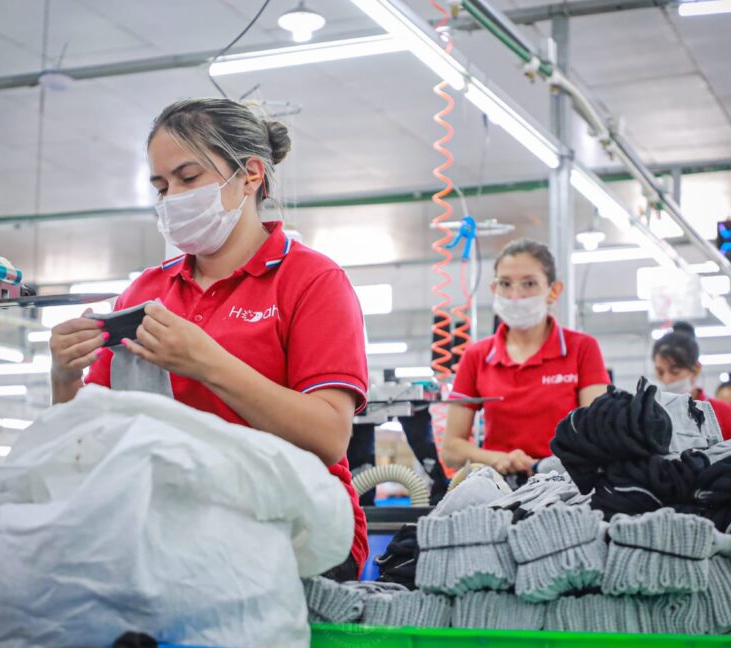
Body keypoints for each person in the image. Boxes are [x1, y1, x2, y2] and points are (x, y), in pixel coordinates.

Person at [48, 98, 369, 580]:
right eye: (161, 186)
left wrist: (206, 362)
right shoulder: (146, 291)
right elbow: (85, 440)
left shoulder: (311, 280)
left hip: (297, 527)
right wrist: (64, 377)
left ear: (250, 174)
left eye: (188, 177)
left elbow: (328, 436)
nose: (172, 198)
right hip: (170, 525)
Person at [441, 239, 611, 475]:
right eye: (505, 284)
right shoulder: (477, 356)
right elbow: (451, 449)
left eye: (529, 283)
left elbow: (598, 433)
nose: (515, 295)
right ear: (494, 289)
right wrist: (497, 458)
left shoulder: (581, 349)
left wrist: (548, 465)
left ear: (554, 290)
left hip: (567, 483)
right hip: (498, 484)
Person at [652, 322, 731, 440]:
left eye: (675, 371)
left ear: (696, 369)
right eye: (660, 372)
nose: (666, 379)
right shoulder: (650, 416)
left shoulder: (726, 416)